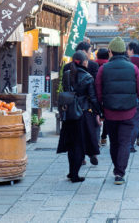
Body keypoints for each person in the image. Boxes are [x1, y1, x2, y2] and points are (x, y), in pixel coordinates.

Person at [95, 37, 139, 185]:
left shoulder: (103, 69)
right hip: (129, 111)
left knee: (114, 142)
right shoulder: (133, 68)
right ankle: (120, 173)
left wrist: (99, 112)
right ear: (124, 52)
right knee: (124, 142)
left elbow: (98, 92)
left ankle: (117, 168)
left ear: (110, 51)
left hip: (110, 112)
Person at [56, 51, 102, 182]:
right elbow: (93, 98)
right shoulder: (87, 77)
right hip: (83, 113)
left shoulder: (67, 75)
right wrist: (100, 112)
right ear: (84, 62)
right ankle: (75, 175)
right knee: (80, 145)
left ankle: (71, 172)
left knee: (71, 144)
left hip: (69, 112)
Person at [95, 47, 110, 145]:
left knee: (96, 116)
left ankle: (96, 137)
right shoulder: (109, 66)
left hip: (95, 95)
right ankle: (104, 137)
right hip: (107, 95)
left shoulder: (93, 64)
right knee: (107, 117)